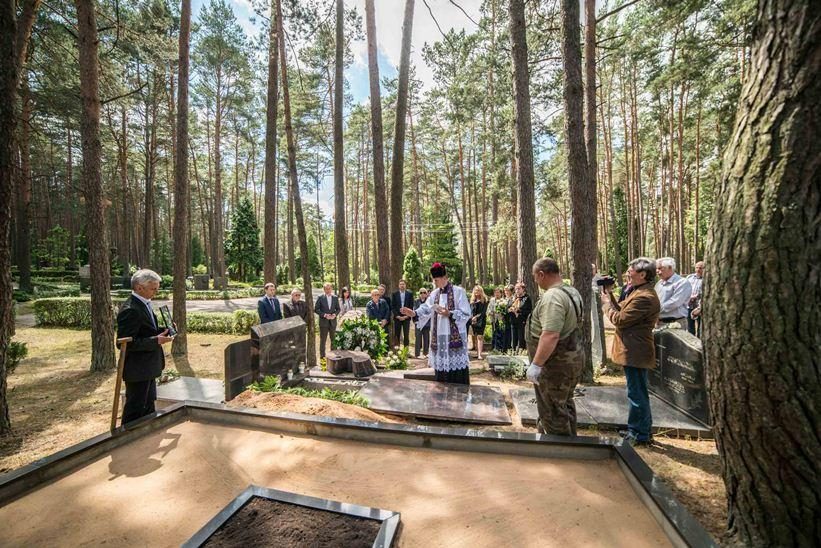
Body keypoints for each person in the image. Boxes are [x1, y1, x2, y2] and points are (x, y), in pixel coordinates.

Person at [603, 257, 661, 446]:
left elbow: (620, 319)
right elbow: (623, 309)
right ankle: (638, 428)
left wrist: (605, 305)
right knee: (636, 391)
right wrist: (610, 295)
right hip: (633, 349)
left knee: (637, 393)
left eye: (631, 270)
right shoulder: (638, 292)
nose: (628, 272)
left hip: (636, 350)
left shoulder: (645, 297)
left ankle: (640, 434)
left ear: (643, 274)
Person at [525, 258, 585, 436]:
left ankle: (559, 455)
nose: (535, 281)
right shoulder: (571, 291)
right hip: (569, 360)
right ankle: (571, 444)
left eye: (535, 277)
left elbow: (551, 334)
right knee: (563, 404)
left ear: (542, 274)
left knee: (552, 411)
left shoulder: (552, 297)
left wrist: (536, 364)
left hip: (555, 364)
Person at [116, 269, 174, 425]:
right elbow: (124, 343)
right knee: (135, 410)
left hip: (148, 366)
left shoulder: (144, 303)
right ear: (139, 287)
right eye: (153, 288)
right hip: (137, 369)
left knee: (148, 407)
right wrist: (156, 341)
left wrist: (164, 330)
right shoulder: (131, 310)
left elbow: (146, 330)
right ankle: (127, 442)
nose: (156, 291)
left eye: (157, 288)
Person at [402, 262, 472, 385]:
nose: (435, 283)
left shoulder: (458, 291)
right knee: (441, 376)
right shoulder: (434, 294)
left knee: (457, 375)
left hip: (455, 338)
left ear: (445, 277)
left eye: (437, 280)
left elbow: (466, 314)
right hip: (439, 338)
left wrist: (449, 313)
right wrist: (413, 313)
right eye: (434, 280)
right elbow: (426, 308)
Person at [655, 257, 692, 329]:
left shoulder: (682, 282)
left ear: (670, 268)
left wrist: (655, 310)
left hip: (676, 324)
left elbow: (675, 302)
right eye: (656, 269)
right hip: (659, 323)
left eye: (660, 268)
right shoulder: (659, 283)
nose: (657, 271)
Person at [314, 282, 341, 359]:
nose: (328, 290)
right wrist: (325, 315)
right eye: (326, 289)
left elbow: (338, 309)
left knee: (333, 340)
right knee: (323, 341)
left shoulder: (335, 297)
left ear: (331, 289)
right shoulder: (320, 297)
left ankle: (333, 356)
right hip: (323, 322)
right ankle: (322, 357)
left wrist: (334, 315)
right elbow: (316, 309)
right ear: (324, 289)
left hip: (333, 322)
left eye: (329, 288)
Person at [509, 282, 533, 350]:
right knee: (513, 339)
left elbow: (529, 311)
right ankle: (513, 352)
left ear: (523, 289)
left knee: (521, 339)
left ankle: (520, 352)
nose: (517, 290)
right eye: (516, 289)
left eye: (518, 289)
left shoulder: (526, 299)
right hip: (513, 321)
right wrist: (510, 309)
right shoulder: (514, 298)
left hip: (522, 322)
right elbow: (508, 306)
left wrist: (518, 311)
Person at [391, 279, 414, 348]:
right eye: (400, 284)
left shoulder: (409, 294)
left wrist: (406, 316)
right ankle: (397, 350)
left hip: (406, 318)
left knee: (406, 335)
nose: (402, 286)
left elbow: (411, 306)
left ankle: (406, 350)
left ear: (405, 285)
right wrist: (397, 316)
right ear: (398, 286)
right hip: (397, 318)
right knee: (397, 335)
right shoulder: (395, 294)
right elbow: (393, 306)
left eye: (403, 284)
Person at [469, 286, 488, 360]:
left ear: (481, 291)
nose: (477, 293)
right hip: (473, 320)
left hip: (481, 320)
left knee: (480, 336)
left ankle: (480, 354)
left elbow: (483, 312)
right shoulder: (472, 300)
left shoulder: (485, 300)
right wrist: (472, 318)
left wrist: (476, 317)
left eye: (478, 291)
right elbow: (470, 310)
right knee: (475, 336)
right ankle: (477, 353)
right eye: (475, 291)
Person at [686, 261, 704, 337]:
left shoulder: (707, 278)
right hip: (689, 305)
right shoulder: (689, 277)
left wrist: (698, 296)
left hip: (700, 306)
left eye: (700, 268)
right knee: (690, 328)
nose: (698, 269)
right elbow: (684, 289)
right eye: (697, 267)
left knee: (701, 329)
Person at [413, 288, 431, 358]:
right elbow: (414, 310)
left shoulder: (428, 302)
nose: (422, 294)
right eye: (421, 293)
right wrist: (415, 320)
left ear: (426, 294)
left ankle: (425, 353)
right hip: (418, 323)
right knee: (418, 338)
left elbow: (430, 311)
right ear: (419, 294)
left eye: (424, 292)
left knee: (426, 339)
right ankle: (417, 354)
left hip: (427, 323)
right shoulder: (416, 301)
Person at [502, 285, 515, 351]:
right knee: (505, 333)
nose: (506, 292)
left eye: (507, 291)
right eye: (505, 291)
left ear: (511, 291)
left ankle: (510, 348)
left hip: (511, 318)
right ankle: (504, 348)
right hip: (505, 318)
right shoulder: (504, 299)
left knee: (510, 333)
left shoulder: (513, 299)